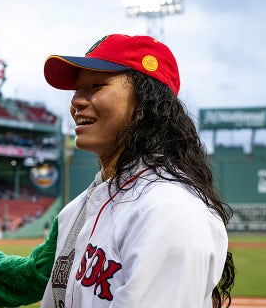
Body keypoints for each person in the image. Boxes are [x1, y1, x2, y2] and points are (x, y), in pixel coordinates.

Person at [40, 34, 235, 308]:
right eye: (76, 90)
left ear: (146, 104)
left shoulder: (170, 210)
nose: (77, 102)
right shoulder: (75, 210)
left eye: (97, 86)